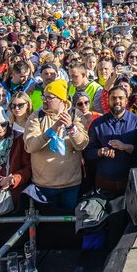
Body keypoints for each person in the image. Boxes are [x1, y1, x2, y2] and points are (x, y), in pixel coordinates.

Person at [23, 81, 88, 212]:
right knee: (45, 226)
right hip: (44, 185)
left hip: (71, 184)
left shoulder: (76, 115)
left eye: (49, 97)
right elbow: (30, 146)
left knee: (68, 225)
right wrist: (52, 130)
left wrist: (71, 127)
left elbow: (82, 144)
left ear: (61, 99)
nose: (45, 100)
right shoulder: (37, 116)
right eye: (44, 96)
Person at [84, 85, 137, 197]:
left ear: (126, 100)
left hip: (131, 181)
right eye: (113, 98)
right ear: (108, 100)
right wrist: (100, 152)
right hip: (104, 181)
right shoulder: (97, 124)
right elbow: (88, 152)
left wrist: (126, 147)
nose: (117, 101)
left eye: (120, 98)